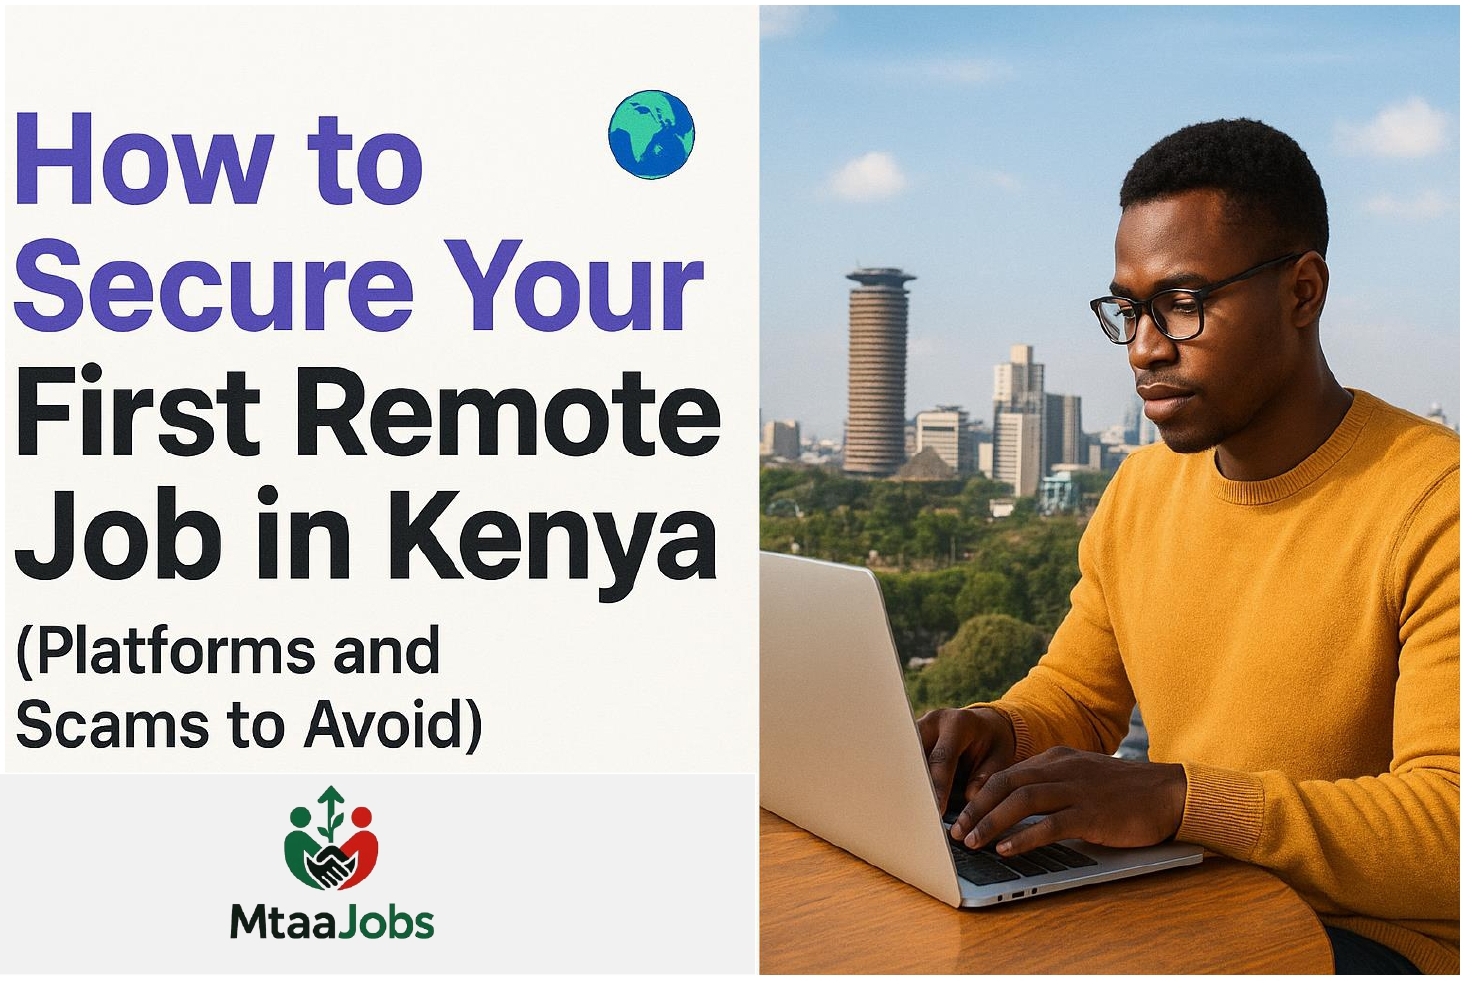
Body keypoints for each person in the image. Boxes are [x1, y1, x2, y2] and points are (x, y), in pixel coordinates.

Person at [920, 119, 1458, 975]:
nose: (1143, 347)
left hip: (1370, 942)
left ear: (1301, 291)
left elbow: (1450, 831)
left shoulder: (1438, 504)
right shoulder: (1139, 489)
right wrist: (994, 733)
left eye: (1182, 303)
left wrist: (1176, 800)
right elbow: (1078, 698)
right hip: (1180, 902)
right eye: (1127, 309)